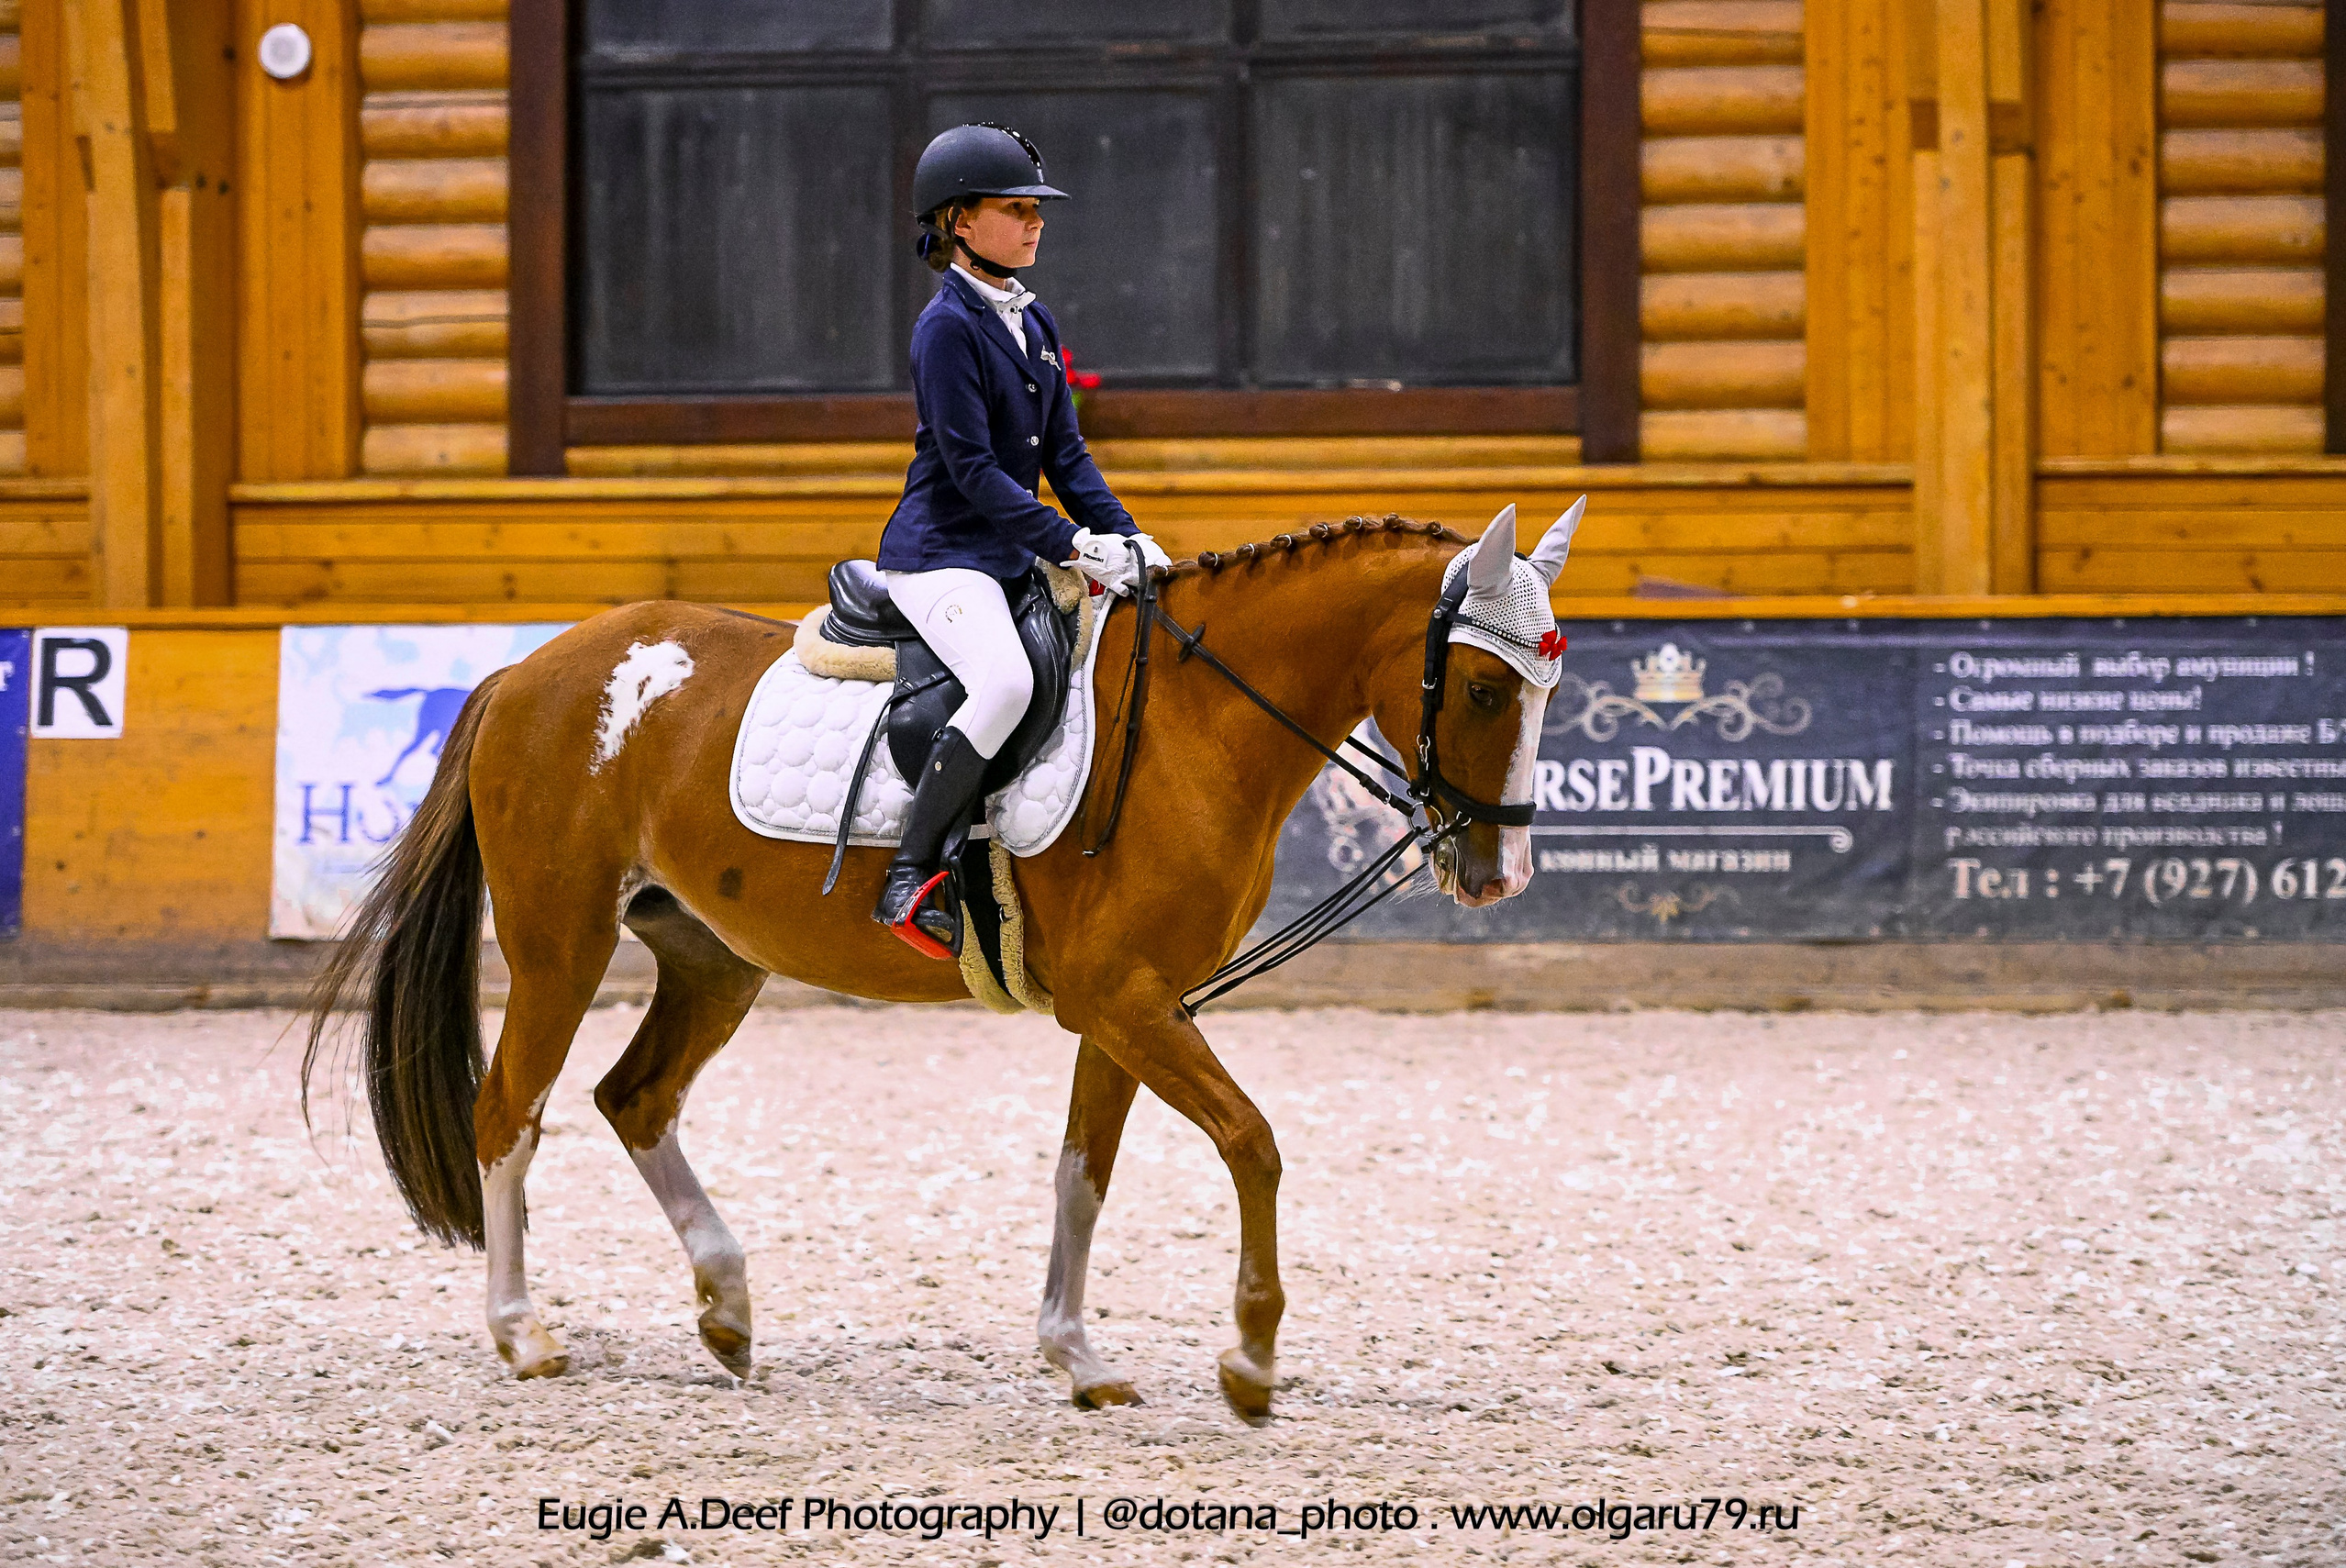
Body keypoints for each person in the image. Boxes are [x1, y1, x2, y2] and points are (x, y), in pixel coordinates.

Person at [873, 123, 1172, 959]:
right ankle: (907, 875)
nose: (1036, 222)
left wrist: (1127, 536)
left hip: (1004, 555)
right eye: (1016, 208)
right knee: (1002, 680)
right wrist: (1075, 545)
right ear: (960, 221)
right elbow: (971, 471)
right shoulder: (946, 328)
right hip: (938, 556)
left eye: (1036, 209)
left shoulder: (1032, 320)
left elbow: (1066, 456)